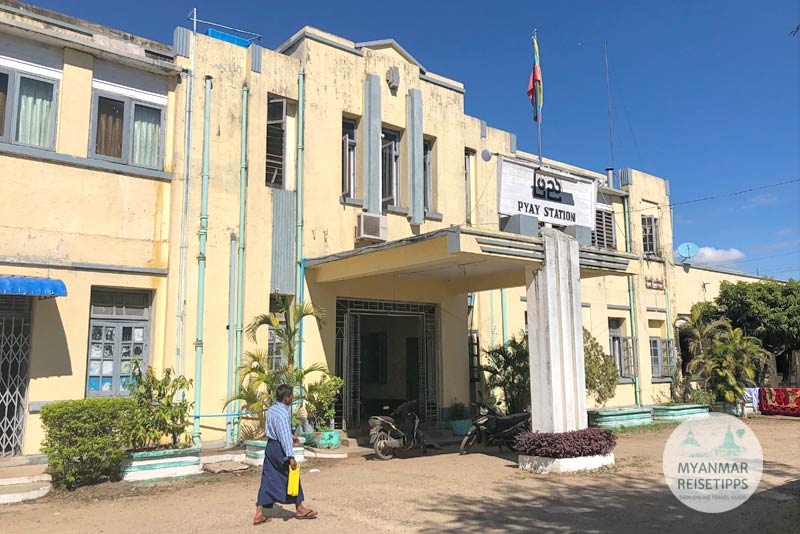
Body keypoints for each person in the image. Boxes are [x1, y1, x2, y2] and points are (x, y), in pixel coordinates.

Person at [253, 384, 318, 525]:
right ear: (286, 398)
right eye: (291, 396)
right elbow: (282, 435)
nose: (292, 398)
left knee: (267, 478)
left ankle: (259, 513)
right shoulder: (283, 413)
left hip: (270, 446)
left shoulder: (271, 410)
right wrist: (291, 456)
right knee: (292, 476)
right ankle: (300, 508)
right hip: (279, 449)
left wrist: (290, 436)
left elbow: (275, 430)